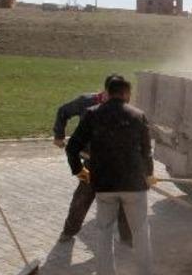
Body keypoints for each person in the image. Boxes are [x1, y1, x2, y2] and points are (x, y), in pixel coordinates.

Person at [66, 77, 155, 275]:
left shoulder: (92, 114)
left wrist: (79, 171)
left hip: (104, 185)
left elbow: (72, 147)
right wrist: (149, 174)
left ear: (107, 92)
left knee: (104, 232)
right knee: (140, 231)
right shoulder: (138, 115)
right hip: (134, 185)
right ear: (126, 94)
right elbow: (146, 152)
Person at [53, 74, 132, 244]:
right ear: (106, 92)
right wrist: (59, 135)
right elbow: (63, 111)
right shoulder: (86, 102)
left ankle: (127, 238)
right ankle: (69, 231)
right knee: (82, 199)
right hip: (91, 163)